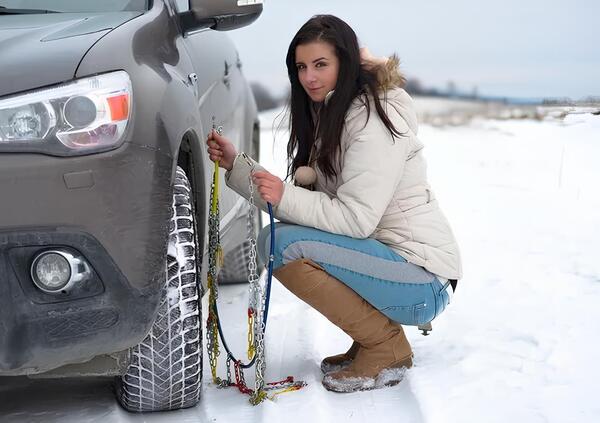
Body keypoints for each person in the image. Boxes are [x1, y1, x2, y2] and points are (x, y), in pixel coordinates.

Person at [206, 14, 462, 393]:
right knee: (284, 239)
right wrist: (237, 167)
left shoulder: (374, 116)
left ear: (344, 63)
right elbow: (312, 208)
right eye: (302, 67)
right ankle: (372, 337)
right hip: (393, 264)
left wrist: (283, 193)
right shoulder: (334, 113)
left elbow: (356, 220)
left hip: (422, 277)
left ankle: (384, 345)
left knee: (281, 245)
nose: (309, 76)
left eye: (321, 64)